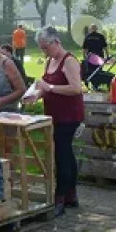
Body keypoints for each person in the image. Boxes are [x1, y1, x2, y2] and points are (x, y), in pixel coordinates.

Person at [24, 27, 84, 216]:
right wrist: (37, 95)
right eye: (41, 48)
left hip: (69, 116)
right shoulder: (50, 60)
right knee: (65, 154)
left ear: (56, 42)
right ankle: (71, 195)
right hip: (54, 114)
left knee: (62, 154)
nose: (44, 52)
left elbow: (76, 88)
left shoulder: (70, 61)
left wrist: (49, 87)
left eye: (45, 48)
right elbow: (45, 84)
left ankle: (60, 198)